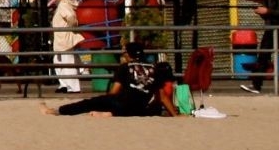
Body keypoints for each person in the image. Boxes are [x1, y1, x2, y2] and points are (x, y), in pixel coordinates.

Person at [42, 40, 181, 117]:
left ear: (129, 54)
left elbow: (114, 92)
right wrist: (175, 115)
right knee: (128, 108)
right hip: (139, 108)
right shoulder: (154, 68)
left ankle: (56, 111)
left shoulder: (125, 67)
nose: (123, 54)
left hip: (123, 103)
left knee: (90, 102)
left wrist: (105, 101)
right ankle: (108, 114)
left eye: (124, 52)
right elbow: (162, 96)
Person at [50, 0, 84, 94]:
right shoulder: (62, 4)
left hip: (64, 37)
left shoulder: (64, 4)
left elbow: (71, 17)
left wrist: (71, 27)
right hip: (60, 38)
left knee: (67, 61)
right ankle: (64, 84)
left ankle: (73, 87)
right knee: (58, 61)